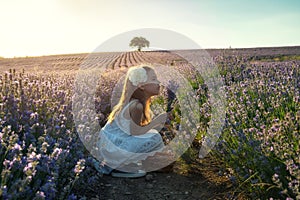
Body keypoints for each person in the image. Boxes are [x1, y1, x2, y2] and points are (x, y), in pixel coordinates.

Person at [93, 65, 170, 178]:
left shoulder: (133, 102)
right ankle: (122, 166)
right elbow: (136, 132)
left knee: (152, 134)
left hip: (109, 146)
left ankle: (126, 162)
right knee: (155, 137)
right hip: (114, 148)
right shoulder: (137, 106)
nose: (158, 82)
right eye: (153, 79)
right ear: (141, 86)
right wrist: (156, 122)